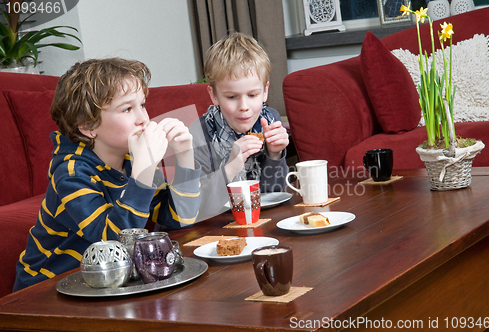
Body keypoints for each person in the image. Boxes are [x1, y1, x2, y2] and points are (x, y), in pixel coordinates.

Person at [13, 58, 201, 291]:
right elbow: (114, 240)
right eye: (127, 109)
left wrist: (184, 157)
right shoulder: (71, 172)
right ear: (88, 126)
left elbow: (179, 218)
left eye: (142, 105)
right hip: (49, 289)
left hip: (106, 282)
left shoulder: (134, 160)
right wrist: (143, 172)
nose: (143, 118)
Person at [191, 32, 289, 221]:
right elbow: (196, 208)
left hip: (261, 219)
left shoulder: (270, 120)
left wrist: (275, 155)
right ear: (214, 95)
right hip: (217, 225)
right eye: (232, 97)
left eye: (252, 95)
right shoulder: (198, 135)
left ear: (265, 91)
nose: (244, 106)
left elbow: (275, 193)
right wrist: (230, 168)